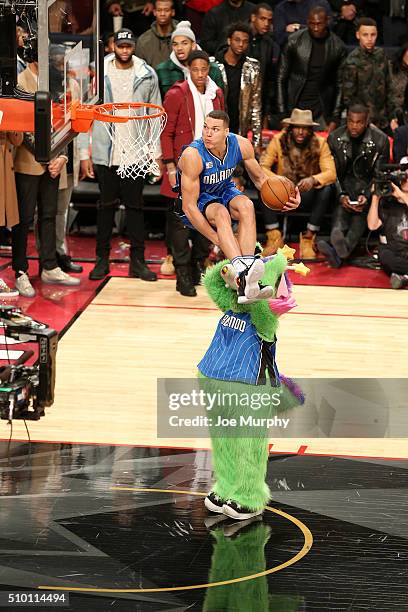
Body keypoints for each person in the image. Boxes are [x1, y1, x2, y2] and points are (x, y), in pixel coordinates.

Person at [176, 110, 301, 303]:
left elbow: (261, 180)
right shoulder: (193, 155)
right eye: (206, 128)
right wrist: (216, 238)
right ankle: (243, 274)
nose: (208, 133)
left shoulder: (241, 144)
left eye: (215, 129)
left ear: (227, 132)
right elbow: (189, 207)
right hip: (199, 199)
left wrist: (288, 198)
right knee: (221, 213)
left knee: (246, 205)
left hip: (223, 189)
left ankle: (249, 278)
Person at [80, 28, 162, 281]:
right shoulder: (98, 72)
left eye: (128, 46)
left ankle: (137, 262)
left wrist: (154, 154)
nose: (124, 50)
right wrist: (85, 153)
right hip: (107, 151)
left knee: (135, 209)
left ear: (134, 46)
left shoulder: (147, 74)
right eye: (120, 46)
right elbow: (85, 112)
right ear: (112, 46)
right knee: (105, 209)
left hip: (135, 153)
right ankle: (101, 261)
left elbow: (155, 116)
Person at [13, 57, 80, 298]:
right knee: (24, 218)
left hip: (54, 160)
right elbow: (22, 126)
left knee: (50, 214)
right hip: (28, 162)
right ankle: (20, 270)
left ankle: (50, 266)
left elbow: (65, 121)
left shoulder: (57, 80)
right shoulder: (20, 82)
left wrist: (61, 156)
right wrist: (48, 154)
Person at [161, 50, 225, 296]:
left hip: (211, 167)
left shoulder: (216, 93)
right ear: (188, 69)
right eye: (195, 69)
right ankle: (182, 273)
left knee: (206, 220)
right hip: (182, 165)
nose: (199, 74)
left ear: (209, 69)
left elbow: (223, 129)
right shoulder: (177, 94)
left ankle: (198, 263)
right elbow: (166, 132)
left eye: (203, 69)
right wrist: (168, 165)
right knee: (180, 223)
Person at [319, 104, 390, 267]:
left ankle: (338, 252)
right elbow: (332, 172)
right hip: (343, 187)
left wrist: (366, 195)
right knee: (340, 214)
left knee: (360, 215)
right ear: (347, 120)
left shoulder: (380, 140)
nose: (354, 126)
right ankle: (339, 246)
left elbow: (378, 174)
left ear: (367, 122)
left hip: (367, 188)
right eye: (351, 121)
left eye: (359, 122)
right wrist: (341, 194)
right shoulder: (335, 138)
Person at [260, 108, 336, 258]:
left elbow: (331, 173)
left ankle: (308, 238)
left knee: (327, 188)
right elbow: (263, 167)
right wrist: (279, 180)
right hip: (282, 193)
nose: (300, 132)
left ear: (310, 130)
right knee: (263, 183)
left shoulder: (320, 143)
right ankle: (274, 237)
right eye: (297, 127)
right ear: (290, 128)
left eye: (305, 128)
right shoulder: (279, 140)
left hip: (305, 193)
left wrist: (313, 179)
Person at [277, 6, 346, 131]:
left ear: (327, 21)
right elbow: (281, 78)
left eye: (319, 24)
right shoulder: (293, 41)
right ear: (307, 22)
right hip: (295, 109)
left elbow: (340, 84)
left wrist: (335, 118)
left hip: (321, 111)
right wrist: (282, 113)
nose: (315, 28)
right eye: (312, 24)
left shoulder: (337, 47)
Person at [214, 22, 262, 153]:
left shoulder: (253, 67)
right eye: (237, 40)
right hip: (217, 127)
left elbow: (255, 104)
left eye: (245, 41)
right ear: (229, 40)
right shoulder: (213, 65)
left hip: (240, 128)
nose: (241, 44)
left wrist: (257, 140)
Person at [341, 17, 395, 133]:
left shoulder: (381, 54)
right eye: (365, 35)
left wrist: (393, 116)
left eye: (373, 35)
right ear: (358, 35)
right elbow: (348, 98)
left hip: (383, 120)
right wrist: (362, 121)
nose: (370, 39)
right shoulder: (352, 61)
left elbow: (389, 86)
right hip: (363, 123)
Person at [155, 20, 224, 97]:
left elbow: (220, 102)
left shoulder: (213, 69)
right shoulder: (162, 70)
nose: (179, 48)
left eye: (184, 43)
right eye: (175, 44)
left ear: (193, 45)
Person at [367, 161, 408, 289]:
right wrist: (375, 197)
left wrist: (401, 195)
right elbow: (372, 225)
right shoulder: (389, 201)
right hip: (395, 251)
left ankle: (404, 277)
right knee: (384, 255)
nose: (405, 179)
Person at [249, 3, 280, 128]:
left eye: (269, 20)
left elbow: (269, 80)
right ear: (253, 18)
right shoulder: (240, 38)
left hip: (260, 100)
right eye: (262, 19)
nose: (266, 24)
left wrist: (266, 114)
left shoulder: (269, 44)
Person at [134, 0, 178, 68]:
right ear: (154, 12)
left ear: (172, 12)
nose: (162, 14)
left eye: (166, 10)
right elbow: (139, 70)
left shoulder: (183, 37)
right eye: (159, 10)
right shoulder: (143, 40)